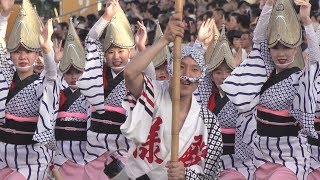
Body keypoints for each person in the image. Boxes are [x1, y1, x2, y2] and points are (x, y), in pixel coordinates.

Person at [221, 0, 319, 179]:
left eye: (287, 47)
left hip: (289, 158)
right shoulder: (261, 74)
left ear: (297, 48)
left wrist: (306, 21)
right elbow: (258, 40)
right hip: (259, 157)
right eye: (275, 47)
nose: (281, 54)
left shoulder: (300, 79)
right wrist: (267, 7)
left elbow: (314, 61)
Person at [121, 13, 223, 179]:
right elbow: (131, 73)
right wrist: (164, 40)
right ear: (170, 70)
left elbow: (211, 174)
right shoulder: (153, 94)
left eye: (194, 70)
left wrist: (185, 175)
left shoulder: (209, 122)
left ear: (201, 78)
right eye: (180, 67)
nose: (186, 75)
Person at [76, 0, 154, 179]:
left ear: (130, 52)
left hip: (125, 153)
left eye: (121, 51)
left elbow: (153, 80)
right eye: (110, 52)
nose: (116, 57)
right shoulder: (96, 72)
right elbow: (91, 39)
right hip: (93, 154)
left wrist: (142, 48)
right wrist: (106, 17)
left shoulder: (135, 75)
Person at [0, 0, 57, 179]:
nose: (23, 56)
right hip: (2, 155)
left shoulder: (43, 82)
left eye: (28, 51)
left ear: (37, 53)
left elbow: (52, 75)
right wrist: (4, 15)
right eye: (17, 51)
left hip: (33, 158)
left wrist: (47, 49)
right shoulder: (5, 78)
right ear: (10, 54)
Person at [205, 25, 255, 179]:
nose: (223, 76)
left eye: (228, 71)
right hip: (209, 159)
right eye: (218, 72)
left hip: (238, 160)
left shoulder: (243, 97)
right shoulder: (205, 95)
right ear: (212, 75)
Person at [53, 18, 90, 179]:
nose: (73, 76)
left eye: (77, 72)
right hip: (60, 158)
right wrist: (54, 62)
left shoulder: (93, 95)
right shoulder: (57, 93)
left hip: (86, 159)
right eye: (68, 73)